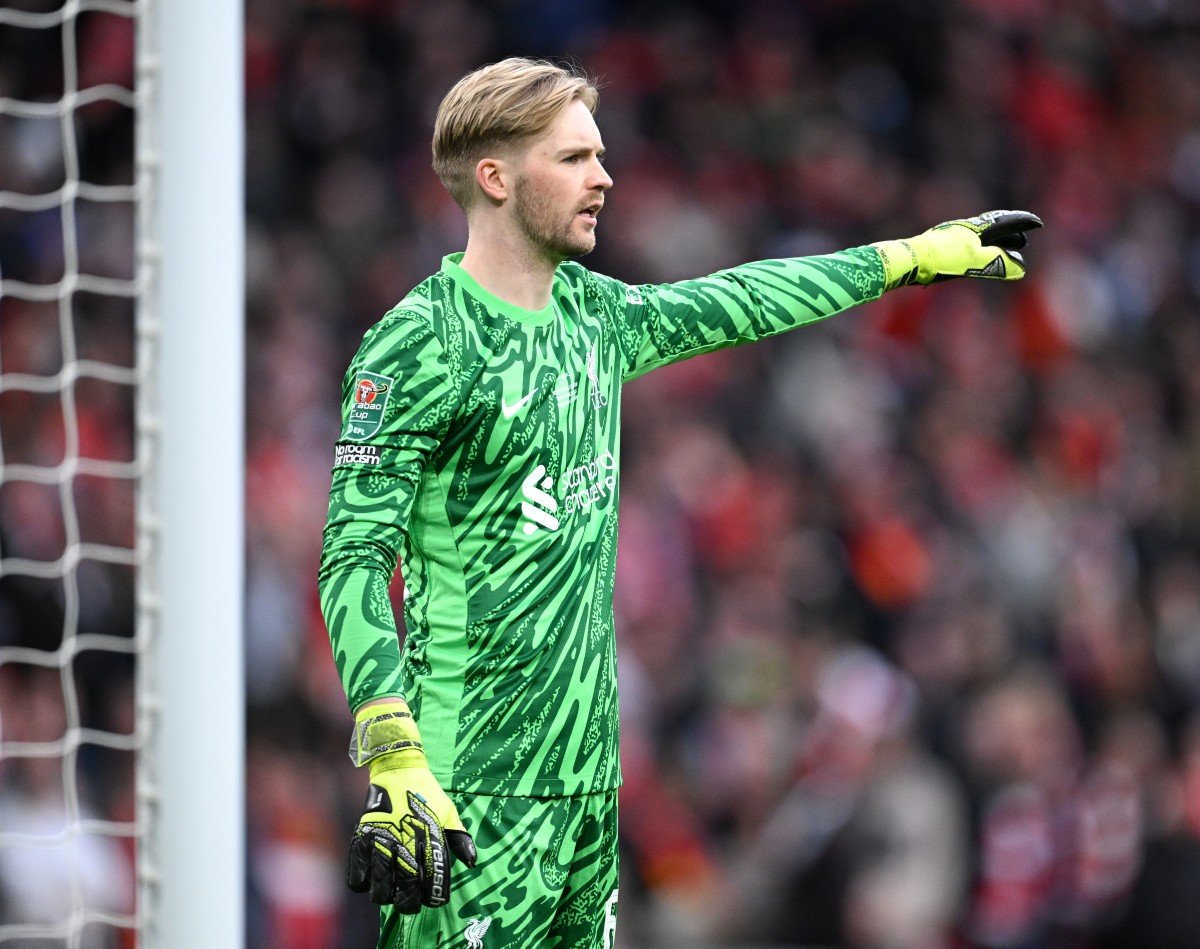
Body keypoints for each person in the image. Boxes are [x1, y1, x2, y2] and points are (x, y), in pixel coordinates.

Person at [317, 56, 1041, 949]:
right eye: (575, 157)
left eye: (601, 154)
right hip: (470, 786)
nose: (604, 177)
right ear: (497, 178)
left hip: (587, 783)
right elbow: (353, 554)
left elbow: (738, 299)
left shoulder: (594, 316)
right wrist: (393, 745)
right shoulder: (420, 343)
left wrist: (912, 257)